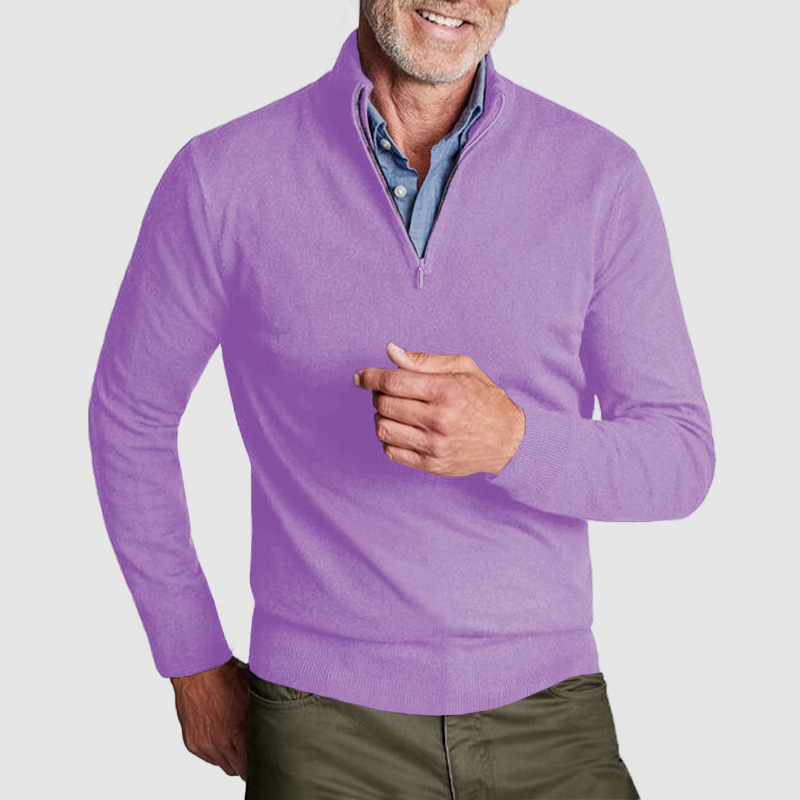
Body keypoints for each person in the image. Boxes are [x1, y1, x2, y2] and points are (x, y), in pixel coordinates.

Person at [88, 1, 715, 797]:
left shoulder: (599, 177)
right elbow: (131, 417)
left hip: (551, 716)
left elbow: (679, 455)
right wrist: (190, 659)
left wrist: (513, 442)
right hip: (324, 731)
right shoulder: (223, 176)